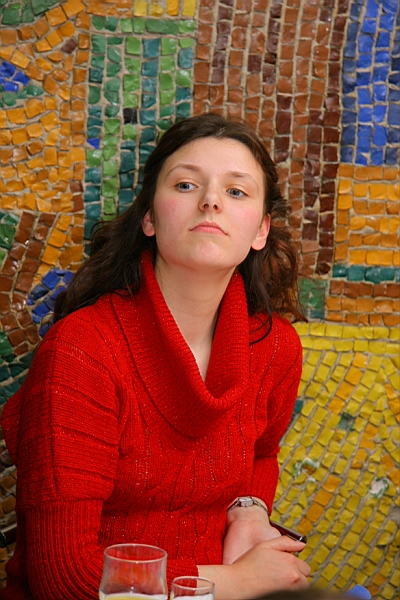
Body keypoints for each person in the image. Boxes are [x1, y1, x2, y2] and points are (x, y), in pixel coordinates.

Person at [1, 114, 310, 600]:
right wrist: (235, 582)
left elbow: (261, 454)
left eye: (236, 191)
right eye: (186, 184)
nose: (210, 200)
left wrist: (249, 509)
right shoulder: (82, 351)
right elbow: (63, 577)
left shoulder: (275, 348)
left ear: (261, 231)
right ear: (149, 217)